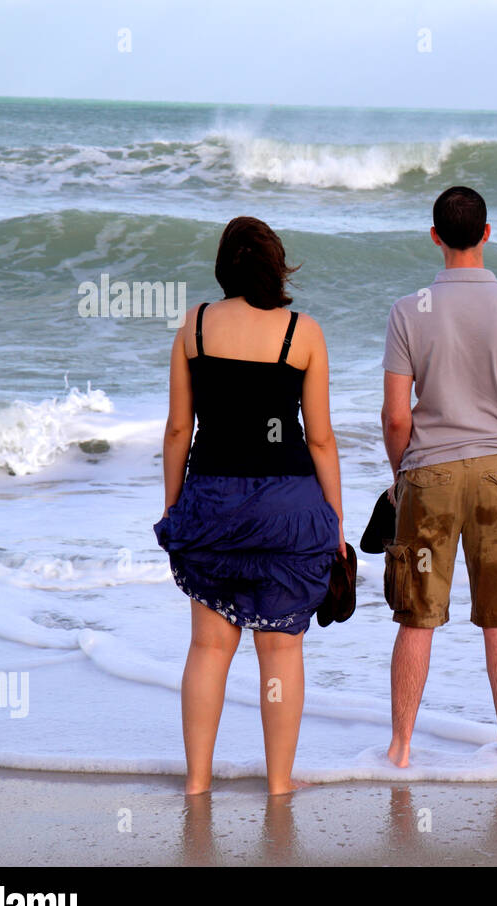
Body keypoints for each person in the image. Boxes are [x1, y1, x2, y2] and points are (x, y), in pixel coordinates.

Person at [154, 216, 344, 795]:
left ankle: (196, 784)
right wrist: (333, 521)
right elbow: (319, 439)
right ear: (277, 265)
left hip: (211, 500)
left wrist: (175, 512)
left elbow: (176, 432)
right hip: (288, 507)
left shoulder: (196, 327)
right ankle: (280, 785)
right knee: (281, 648)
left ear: (223, 266)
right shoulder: (302, 332)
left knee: (209, 647)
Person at [380, 185, 497, 767]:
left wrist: (401, 474)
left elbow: (396, 416)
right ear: (486, 233)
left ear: (435, 237)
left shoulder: (409, 311)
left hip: (427, 473)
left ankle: (401, 749)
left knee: (417, 618)